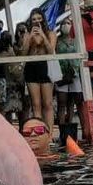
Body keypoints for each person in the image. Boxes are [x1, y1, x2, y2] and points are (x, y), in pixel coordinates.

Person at [20, 7, 57, 138]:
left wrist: (42, 35)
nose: (36, 22)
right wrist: (30, 37)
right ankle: (40, 133)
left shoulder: (50, 33)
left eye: (39, 19)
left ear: (43, 20)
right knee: (36, 104)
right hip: (31, 67)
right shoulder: (26, 34)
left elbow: (51, 50)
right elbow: (23, 53)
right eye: (34, 19)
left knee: (47, 103)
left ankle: (50, 134)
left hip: (45, 66)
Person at [54, 16, 82, 145]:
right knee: (62, 102)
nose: (66, 25)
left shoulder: (75, 41)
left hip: (74, 73)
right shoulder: (57, 41)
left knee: (72, 102)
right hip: (62, 74)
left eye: (68, 23)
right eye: (64, 23)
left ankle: (70, 131)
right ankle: (61, 132)